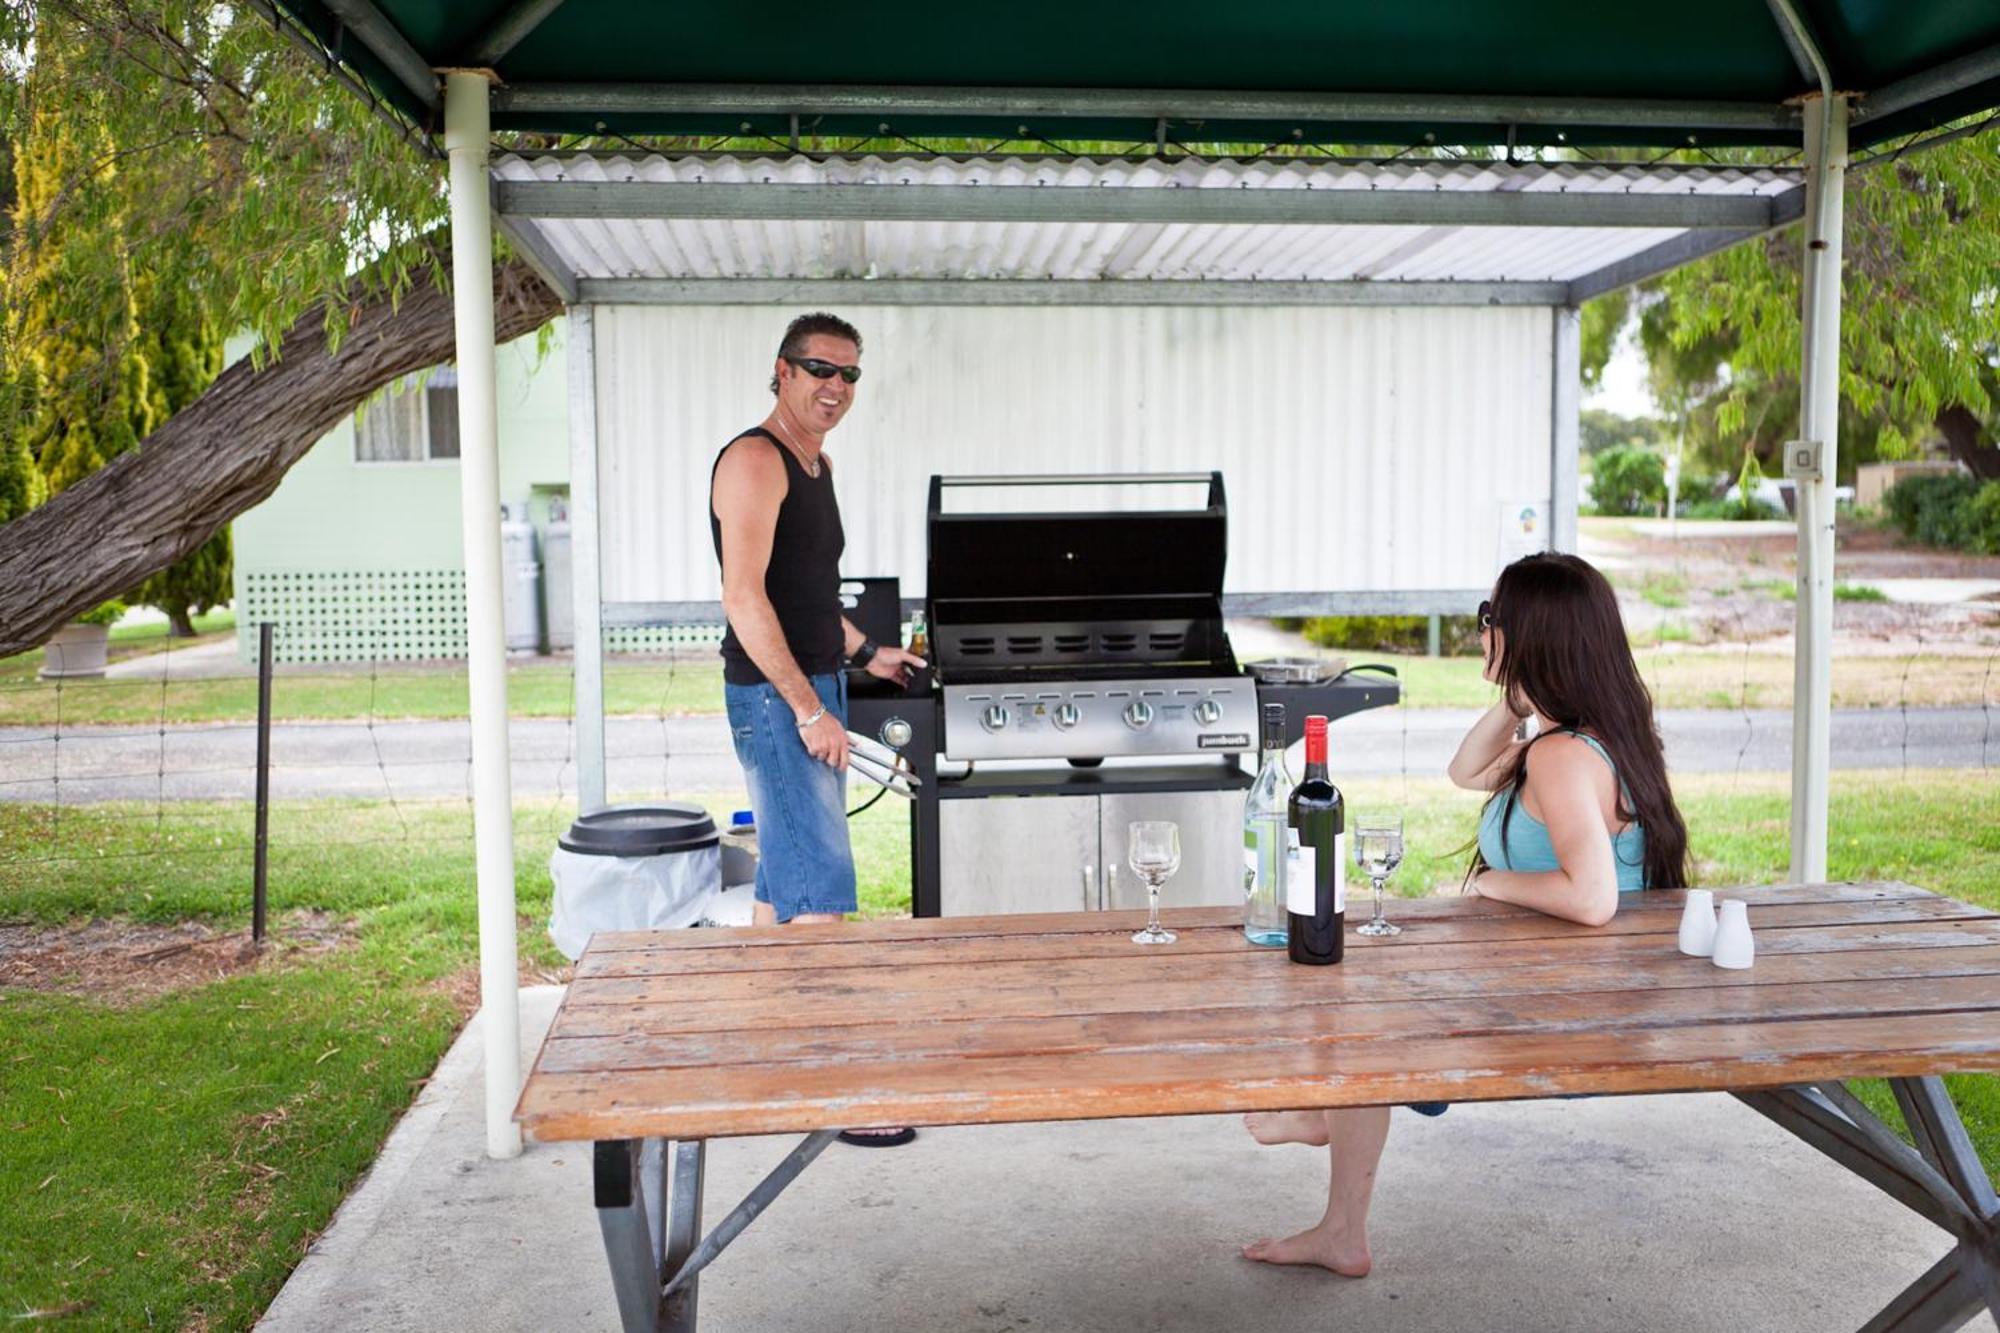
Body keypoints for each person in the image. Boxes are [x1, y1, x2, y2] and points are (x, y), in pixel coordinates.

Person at [1239, 550, 1690, 1275]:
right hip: (1586, 981)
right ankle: (1337, 1151)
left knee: (1367, 1009)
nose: (1480, 632)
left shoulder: (1563, 758)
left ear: (1530, 635)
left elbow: (1592, 897)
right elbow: (1465, 771)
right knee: (1375, 989)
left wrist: (1494, 886)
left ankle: (1337, 1171)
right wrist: (1517, 697)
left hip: (1569, 1003)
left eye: (1491, 620)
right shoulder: (1572, 737)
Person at [709, 312, 925, 1146]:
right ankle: (835, 1088)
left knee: (783, 885)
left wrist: (870, 653)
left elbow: (807, 597)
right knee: (822, 898)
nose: (834, 386)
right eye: (818, 369)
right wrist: (807, 708)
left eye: (849, 375)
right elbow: (744, 598)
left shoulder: (817, 464)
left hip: (810, 685)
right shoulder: (755, 461)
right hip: (774, 699)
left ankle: (768, 1066)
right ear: (782, 371)